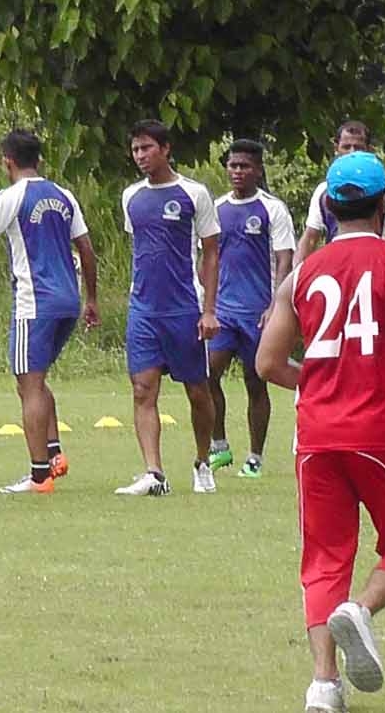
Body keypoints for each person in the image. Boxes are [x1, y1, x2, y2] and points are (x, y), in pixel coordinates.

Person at [255, 151, 385, 713]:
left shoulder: (301, 276)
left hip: (315, 436)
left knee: (323, 558)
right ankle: (361, 610)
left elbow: (267, 363)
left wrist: (316, 384)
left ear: (329, 207)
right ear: (384, 203)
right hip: (382, 430)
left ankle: (322, 686)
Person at [0, 130, 100, 493]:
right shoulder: (63, 195)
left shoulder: (10, 197)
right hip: (68, 301)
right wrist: (91, 299)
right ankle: (55, 453)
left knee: (30, 385)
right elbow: (86, 249)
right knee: (35, 381)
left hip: (34, 301)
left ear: (6, 161)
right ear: (38, 160)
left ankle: (39, 475)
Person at [116, 119, 223, 496]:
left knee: (197, 391)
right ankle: (153, 473)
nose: (141, 156)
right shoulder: (131, 197)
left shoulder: (194, 194)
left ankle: (202, 460)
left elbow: (211, 253)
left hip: (184, 309)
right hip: (144, 308)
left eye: (147, 148)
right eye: (135, 150)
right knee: (143, 389)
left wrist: (209, 310)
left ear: (165, 149)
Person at [205, 139, 296, 478]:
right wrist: (207, 304)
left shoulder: (272, 209)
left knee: (255, 382)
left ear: (258, 170)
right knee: (206, 374)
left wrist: (276, 305)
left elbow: (285, 258)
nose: (238, 172)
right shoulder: (216, 208)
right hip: (223, 311)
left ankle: (255, 457)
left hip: (259, 311)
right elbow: (209, 255)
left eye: (245, 166)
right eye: (233, 165)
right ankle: (219, 445)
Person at [294, 121, 385, 263]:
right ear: (336, 148)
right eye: (346, 147)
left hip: (374, 265)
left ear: (369, 150)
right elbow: (310, 238)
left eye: (358, 148)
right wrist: (297, 276)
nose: (352, 153)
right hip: (335, 267)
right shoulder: (324, 191)